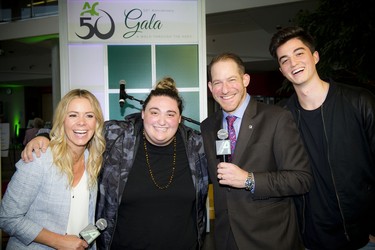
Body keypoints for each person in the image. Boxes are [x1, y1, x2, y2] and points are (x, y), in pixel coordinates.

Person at [21, 77, 209, 250]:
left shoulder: (197, 147)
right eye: (154, 112)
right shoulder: (117, 136)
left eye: (170, 114)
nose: (161, 120)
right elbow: (80, 129)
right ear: (142, 114)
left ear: (179, 119)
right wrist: (44, 137)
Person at [269, 26, 375, 250]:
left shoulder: (360, 102)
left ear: (315, 56)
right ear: (281, 70)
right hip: (306, 241)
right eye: (285, 59)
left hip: (362, 239)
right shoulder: (280, 118)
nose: (293, 63)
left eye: (299, 53)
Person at [200, 52, 312, 249]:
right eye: (217, 82)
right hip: (226, 239)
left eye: (231, 80)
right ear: (210, 87)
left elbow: (300, 179)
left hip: (270, 238)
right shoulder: (208, 127)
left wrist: (249, 180)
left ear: (245, 80)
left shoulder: (277, 118)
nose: (224, 89)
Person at [0, 89, 106, 249]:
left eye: (89, 115)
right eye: (73, 115)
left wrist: (85, 242)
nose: (82, 122)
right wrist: (59, 241)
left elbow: (90, 215)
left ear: (96, 122)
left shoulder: (94, 160)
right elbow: (7, 217)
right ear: (62, 120)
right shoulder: (39, 158)